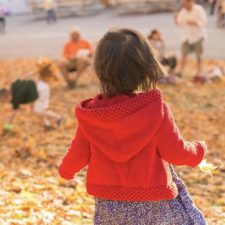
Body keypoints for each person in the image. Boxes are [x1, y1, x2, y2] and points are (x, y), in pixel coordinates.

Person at [59, 28, 207, 225]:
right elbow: (176, 152)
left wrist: (66, 171)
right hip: (154, 202)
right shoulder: (154, 110)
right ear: (144, 68)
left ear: (99, 70)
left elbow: (78, 153)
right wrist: (198, 151)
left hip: (110, 206)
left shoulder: (93, 115)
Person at [0, 59, 63, 131]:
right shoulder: (14, 85)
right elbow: (25, 77)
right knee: (35, 109)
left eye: (6, 101)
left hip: (40, 90)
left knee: (38, 110)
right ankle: (46, 124)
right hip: (40, 87)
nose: (8, 102)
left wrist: (8, 125)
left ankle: (59, 118)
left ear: (8, 95)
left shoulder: (15, 99)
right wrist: (36, 72)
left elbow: (13, 114)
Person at [175, 0, 207, 80]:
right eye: (183, 4)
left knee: (199, 55)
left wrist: (195, 22)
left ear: (190, 2)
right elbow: (179, 24)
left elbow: (204, 21)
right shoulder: (183, 11)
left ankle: (199, 72)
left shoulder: (199, 9)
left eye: (185, 3)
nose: (184, 5)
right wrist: (176, 19)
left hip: (198, 36)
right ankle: (181, 71)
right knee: (183, 54)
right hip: (187, 36)